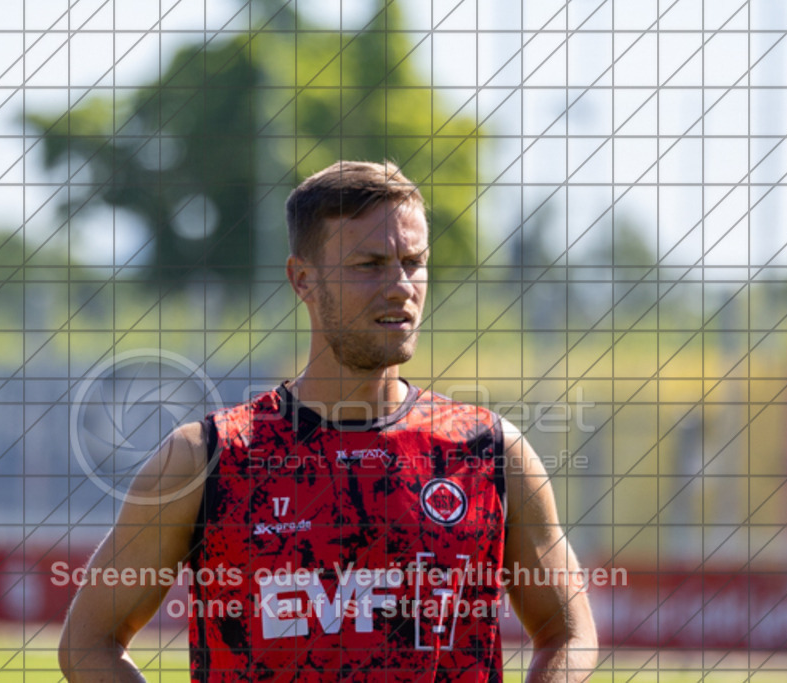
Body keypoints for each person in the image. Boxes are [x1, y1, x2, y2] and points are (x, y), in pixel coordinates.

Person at [59, 161, 598, 681]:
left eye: (413, 262)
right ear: (303, 280)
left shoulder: (489, 449)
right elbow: (88, 644)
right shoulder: (208, 457)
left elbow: (569, 633)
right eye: (369, 266)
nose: (401, 287)